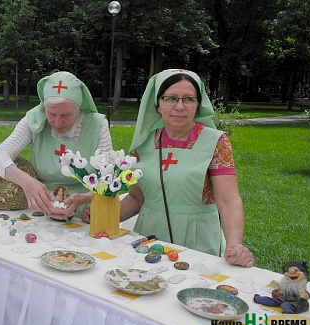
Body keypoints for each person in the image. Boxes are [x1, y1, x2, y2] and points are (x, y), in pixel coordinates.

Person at [82, 69, 254, 267]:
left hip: (197, 237)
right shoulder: (143, 144)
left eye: (188, 99)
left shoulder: (216, 142)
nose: (180, 106)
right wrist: (103, 217)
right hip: (149, 236)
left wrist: (235, 246)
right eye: (171, 98)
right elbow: (137, 198)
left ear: (198, 105)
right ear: (158, 104)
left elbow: (229, 201)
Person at [0, 71, 112, 218]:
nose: (58, 122)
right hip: (41, 211)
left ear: (78, 109)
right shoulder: (34, 119)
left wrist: (84, 199)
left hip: (86, 213)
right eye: (51, 114)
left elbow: (108, 179)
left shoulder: (97, 125)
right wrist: (27, 183)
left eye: (66, 115)